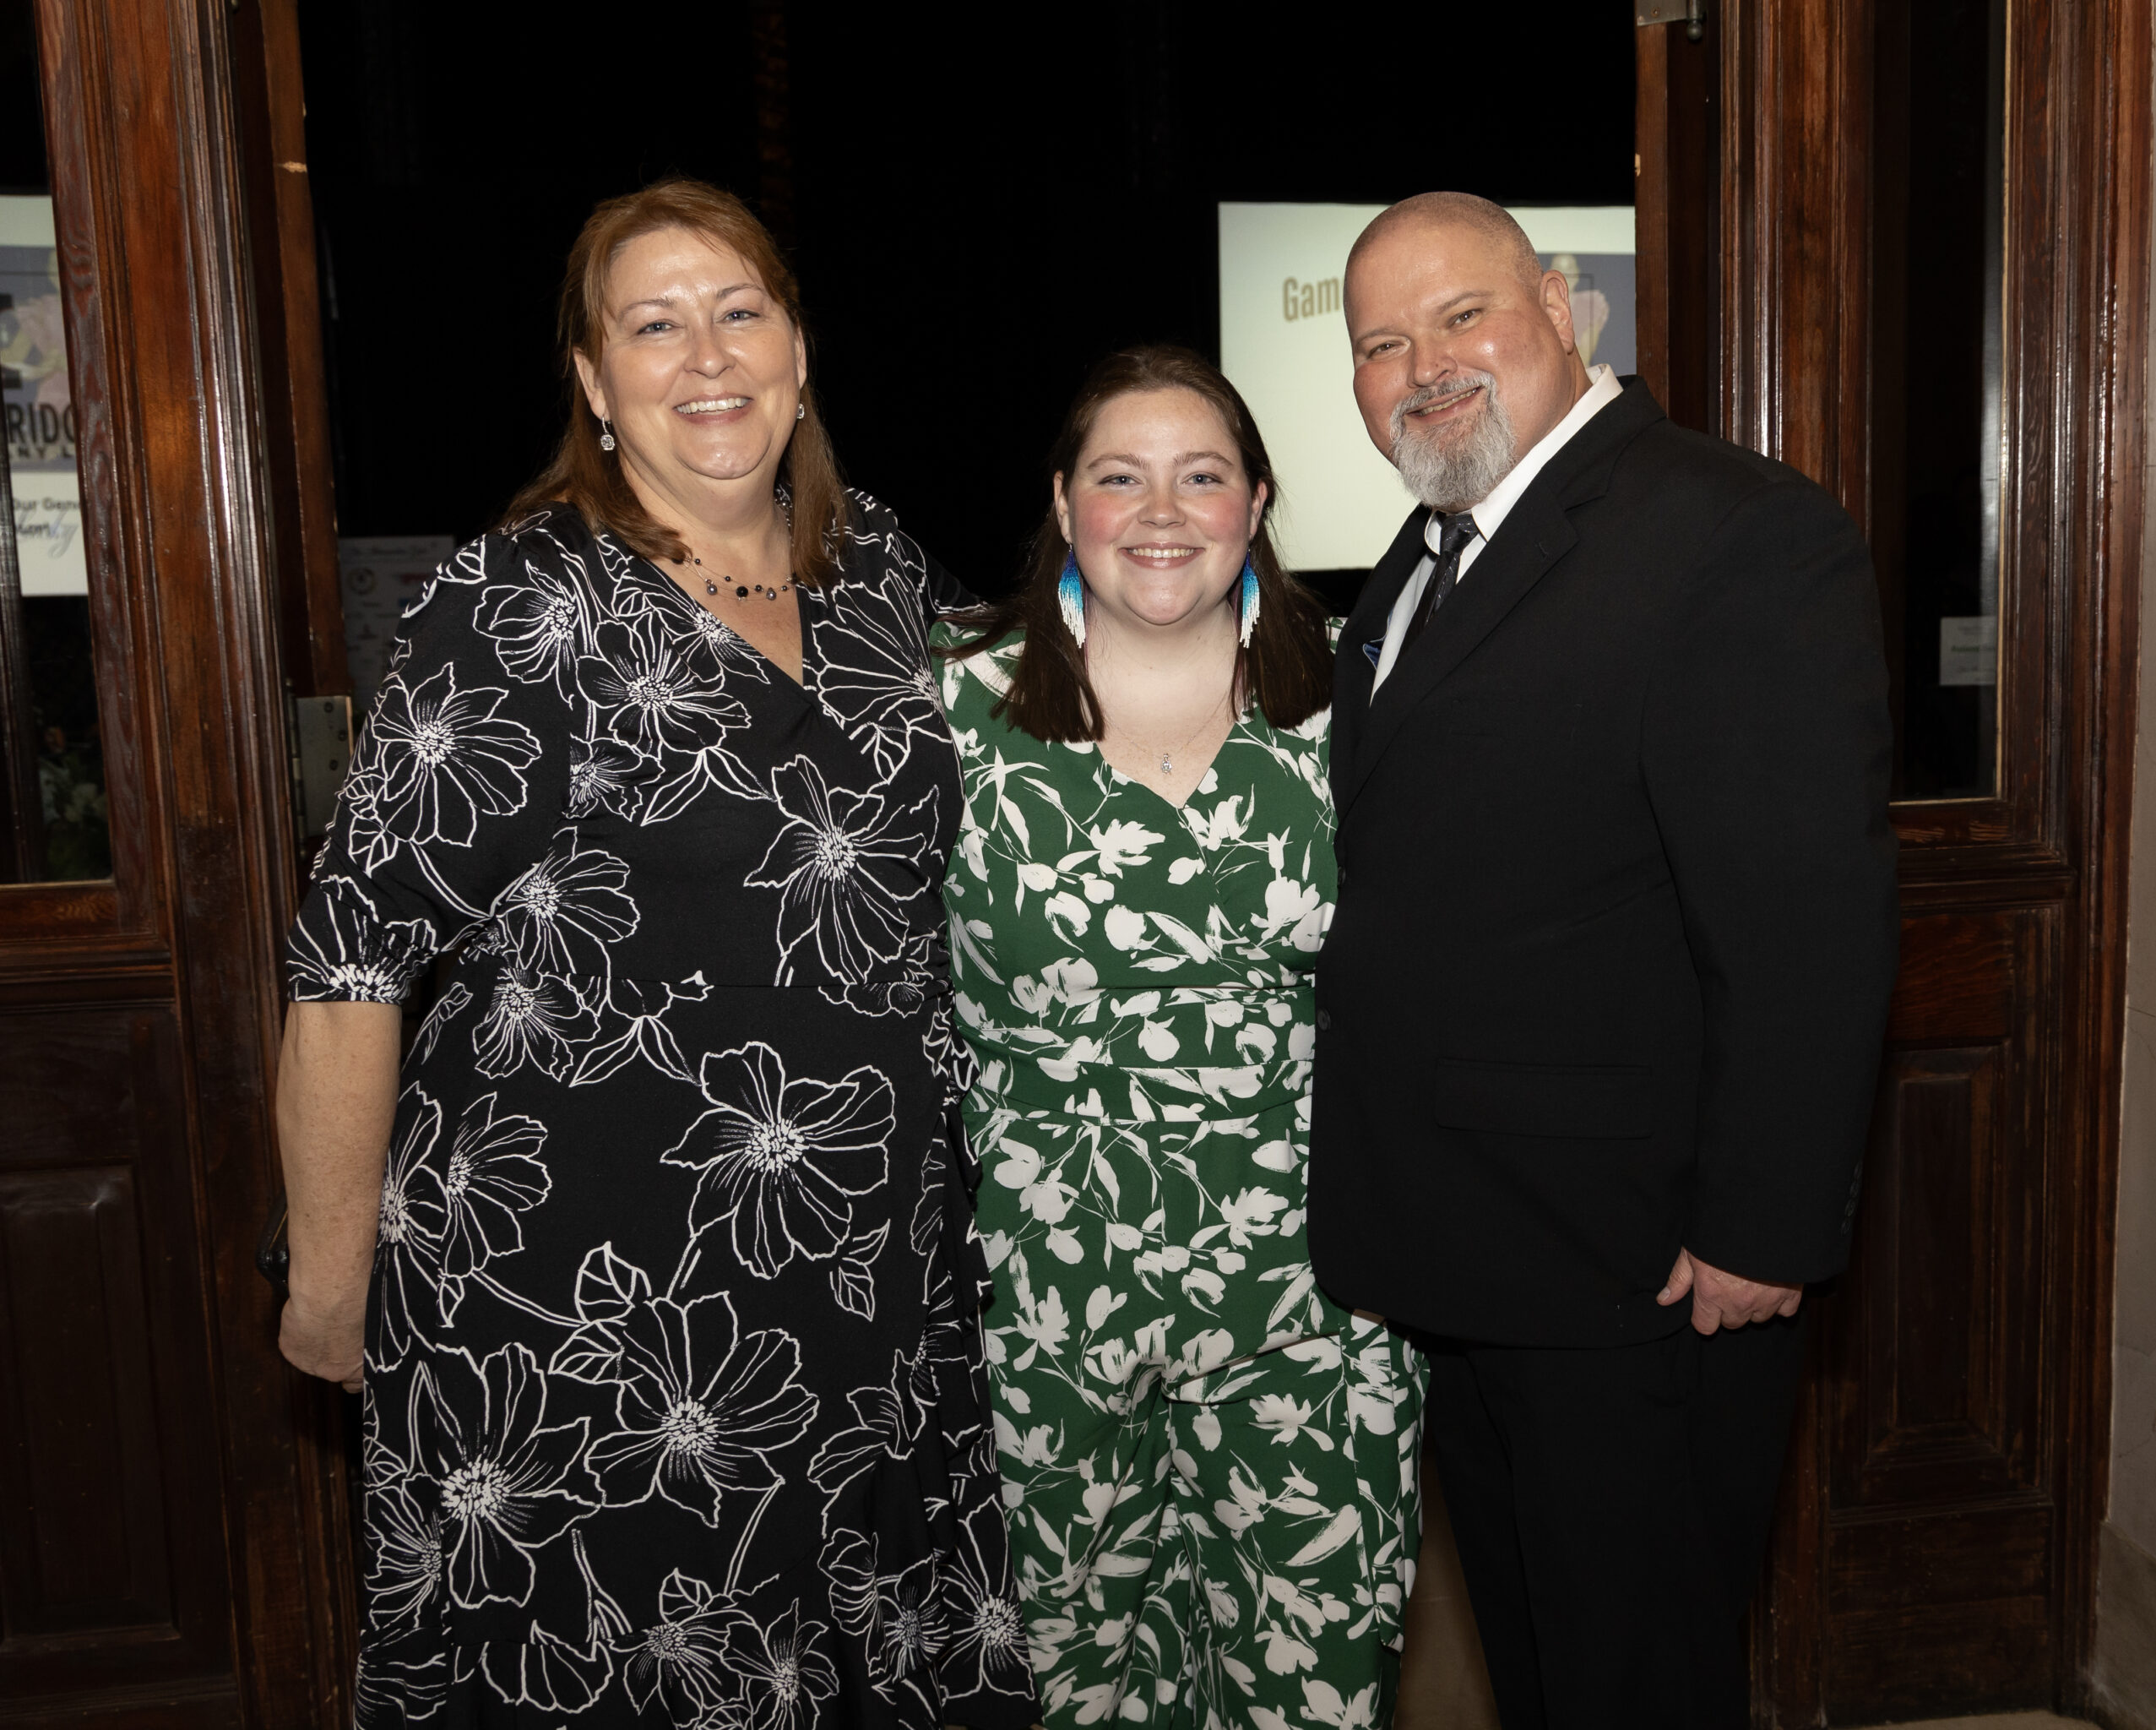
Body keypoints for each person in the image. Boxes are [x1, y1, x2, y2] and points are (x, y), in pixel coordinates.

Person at [274, 178, 1036, 1730]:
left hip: (868, 1288)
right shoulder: (515, 606)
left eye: (741, 311)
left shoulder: (880, 569)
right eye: (656, 323)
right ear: (593, 380)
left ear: (801, 354)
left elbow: (1054, 741)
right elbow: (351, 963)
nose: (708, 354)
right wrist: (331, 1279)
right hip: (583, 1313)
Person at [1306, 193, 1899, 1727]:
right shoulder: (1429, 553)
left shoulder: (1732, 534)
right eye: (1381, 343)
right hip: (1477, 1252)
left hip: (1640, 1270)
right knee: (1546, 1666)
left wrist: (1766, 1225)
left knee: (1639, 1682)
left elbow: (1804, 916)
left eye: (1462, 317)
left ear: (1563, 309)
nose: (1425, 366)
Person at [937, 346, 1427, 1730]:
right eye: (1120, 476)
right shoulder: (950, 710)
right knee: (1068, 1682)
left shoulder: (1363, 710)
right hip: (1038, 1299)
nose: (1162, 511)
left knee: (1312, 1681)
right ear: (1063, 502)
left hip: (1316, 1298)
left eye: (1202, 475)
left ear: (1256, 500)